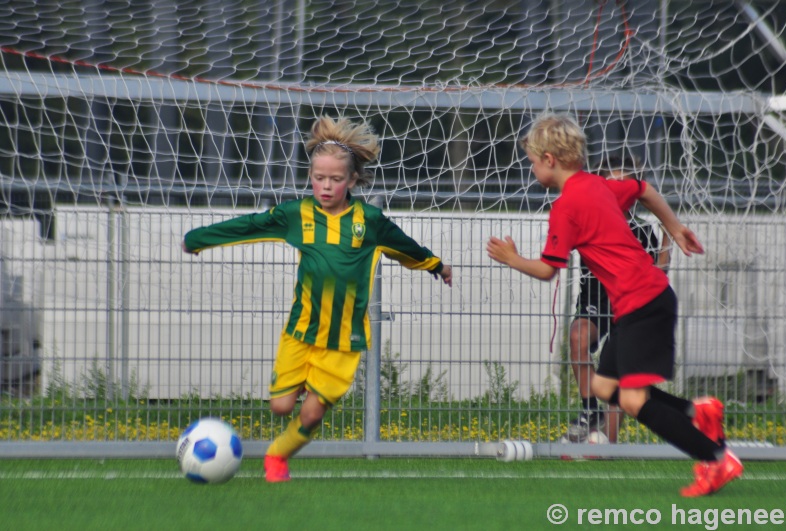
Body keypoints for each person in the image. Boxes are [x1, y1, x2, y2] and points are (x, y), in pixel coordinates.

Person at [183, 115, 453, 483]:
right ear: (310, 176)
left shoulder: (369, 221)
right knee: (280, 407)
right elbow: (249, 225)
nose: (326, 186)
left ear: (353, 180)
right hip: (301, 333)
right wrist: (198, 239)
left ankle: (277, 457)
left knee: (309, 416)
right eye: (319, 178)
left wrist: (436, 265)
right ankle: (302, 385)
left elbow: (404, 247)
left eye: (336, 179)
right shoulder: (297, 214)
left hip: (343, 342)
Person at [486, 113, 742, 497]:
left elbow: (547, 271)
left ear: (550, 160)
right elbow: (643, 188)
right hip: (641, 301)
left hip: (643, 301)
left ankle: (718, 459)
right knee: (605, 386)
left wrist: (511, 258)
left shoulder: (566, 206)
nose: (532, 167)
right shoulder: (600, 185)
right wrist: (674, 227)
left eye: (533, 161)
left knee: (635, 400)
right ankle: (698, 412)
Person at [566, 156, 671, 444]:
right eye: (611, 183)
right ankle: (590, 410)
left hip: (628, 305)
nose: (617, 189)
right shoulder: (586, 217)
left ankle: (607, 444)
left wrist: (666, 246)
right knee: (578, 337)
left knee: (617, 374)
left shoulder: (641, 230)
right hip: (595, 301)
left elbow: (658, 276)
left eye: (624, 184)